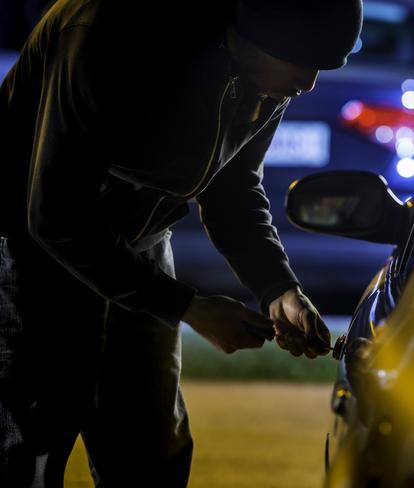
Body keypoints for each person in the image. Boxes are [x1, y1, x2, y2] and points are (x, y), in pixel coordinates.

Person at [0, 0, 363, 486]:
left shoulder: (266, 76)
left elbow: (233, 191)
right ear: (255, 32)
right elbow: (55, 214)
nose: (309, 82)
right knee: (28, 450)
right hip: (27, 257)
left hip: (142, 248)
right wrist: (186, 306)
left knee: (151, 451)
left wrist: (279, 288)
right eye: (303, 62)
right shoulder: (102, 33)